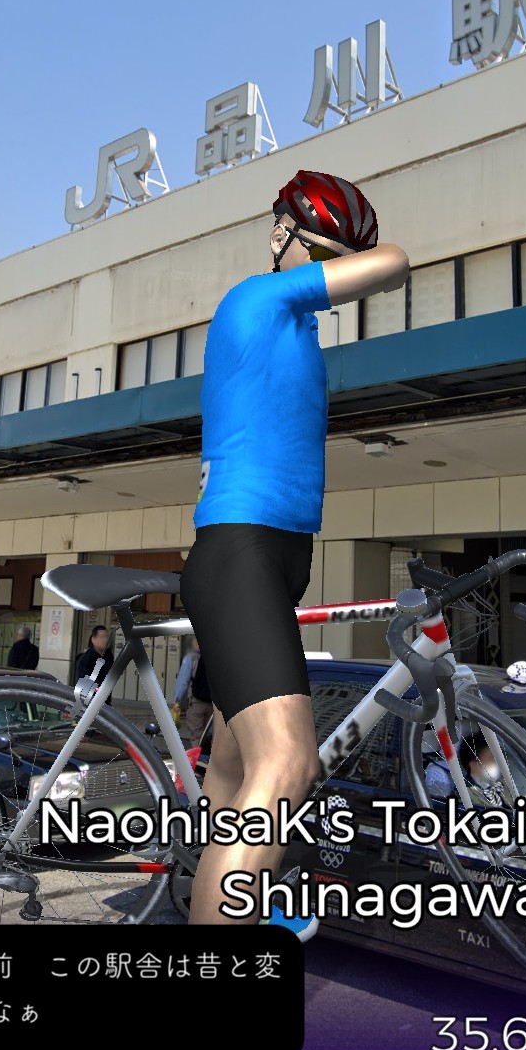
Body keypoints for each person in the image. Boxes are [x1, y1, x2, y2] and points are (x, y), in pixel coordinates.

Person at [180, 169, 408, 940]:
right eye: (321, 252)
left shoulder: (297, 329)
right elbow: (395, 261)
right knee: (287, 766)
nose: (331, 271)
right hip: (240, 550)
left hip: (276, 558)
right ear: (281, 234)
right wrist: (358, 258)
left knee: (236, 772)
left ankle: (223, 896)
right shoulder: (256, 298)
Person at [74, 623, 114, 705]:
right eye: (101, 637)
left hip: (105, 699)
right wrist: (98, 689)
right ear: (93, 639)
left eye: (106, 637)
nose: (105, 640)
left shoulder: (108, 655)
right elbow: (83, 681)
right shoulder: (86, 659)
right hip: (89, 700)